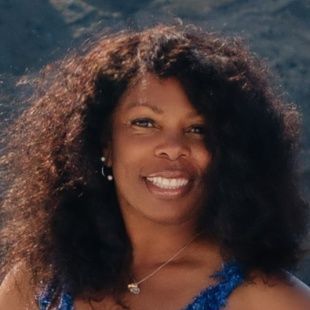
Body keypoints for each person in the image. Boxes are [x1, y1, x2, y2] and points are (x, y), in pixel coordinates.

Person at [0, 24, 309, 310]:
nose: (174, 147)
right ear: (103, 144)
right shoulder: (39, 282)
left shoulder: (272, 300)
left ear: (228, 155)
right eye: (145, 122)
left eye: (198, 128)